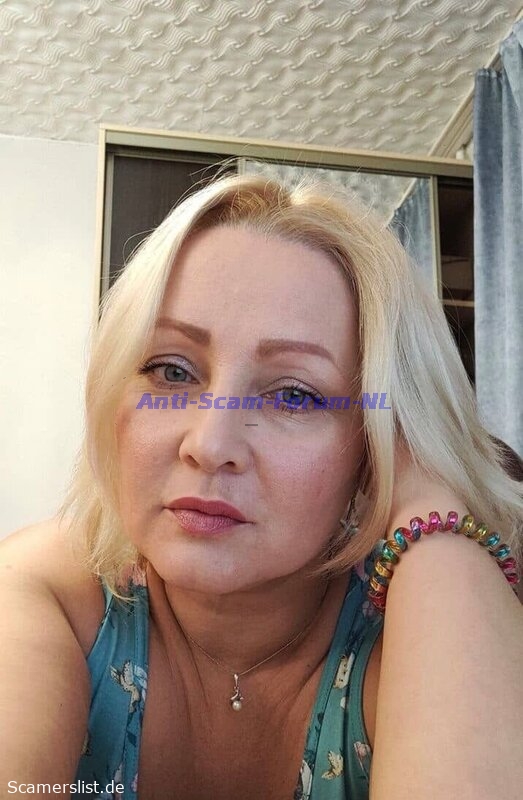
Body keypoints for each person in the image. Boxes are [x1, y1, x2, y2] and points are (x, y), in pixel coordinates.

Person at [1, 173, 522, 800]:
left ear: (378, 446)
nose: (209, 445)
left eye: (294, 395)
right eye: (172, 371)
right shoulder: (45, 595)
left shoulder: (408, 630)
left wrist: (427, 500)